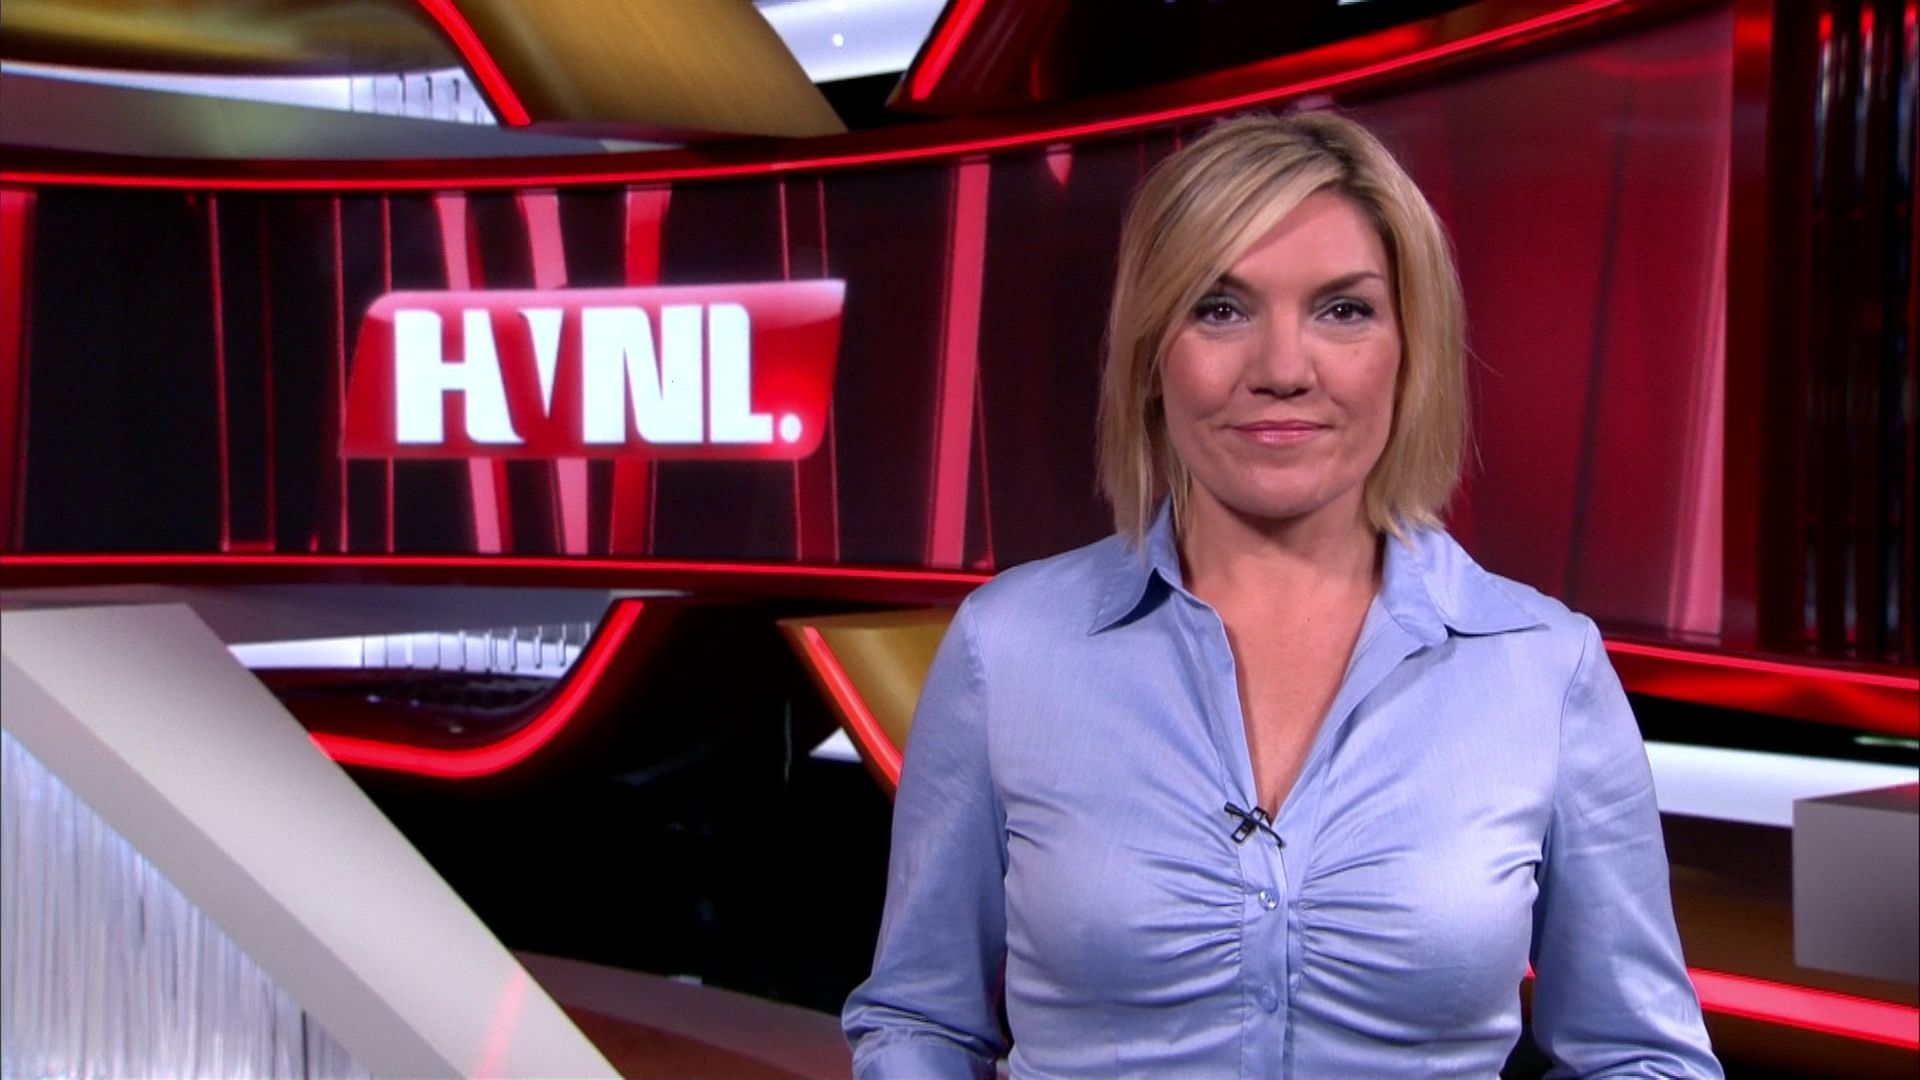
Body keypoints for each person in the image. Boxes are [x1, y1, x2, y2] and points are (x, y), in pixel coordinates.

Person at [843, 111, 1721, 1078]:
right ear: (1151, 354)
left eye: (1343, 310)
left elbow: (1644, 1057)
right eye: (1221, 308)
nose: (1282, 371)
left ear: (1410, 351)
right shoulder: (1008, 648)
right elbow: (920, 1022)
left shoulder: (1543, 669)